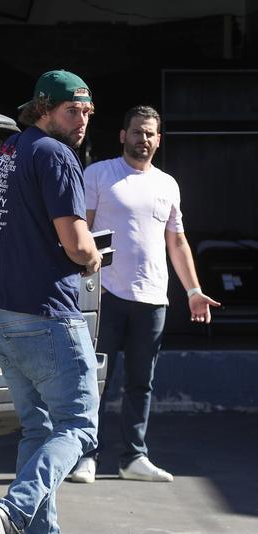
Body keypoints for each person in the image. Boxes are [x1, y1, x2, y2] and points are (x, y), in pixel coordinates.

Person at [0, 70, 103, 534]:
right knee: (79, 427)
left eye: (88, 112)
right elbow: (76, 243)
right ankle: (13, 512)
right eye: (73, 110)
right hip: (47, 315)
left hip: (3, 315)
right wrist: (93, 256)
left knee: (39, 430)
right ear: (44, 108)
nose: (82, 120)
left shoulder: (7, 153)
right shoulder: (55, 155)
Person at [71, 105, 220, 484]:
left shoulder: (167, 184)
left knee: (141, 382)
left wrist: (194, 290)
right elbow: (80, 230)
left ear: (158, 140)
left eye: (150, 133)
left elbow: (177, 242)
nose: (143, 139)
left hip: (153, 299)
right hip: (105, 295)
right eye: (137, 131)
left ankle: (133, 458)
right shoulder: (99, 174)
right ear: (123, 135)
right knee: (95, 380)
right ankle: (85, 456)